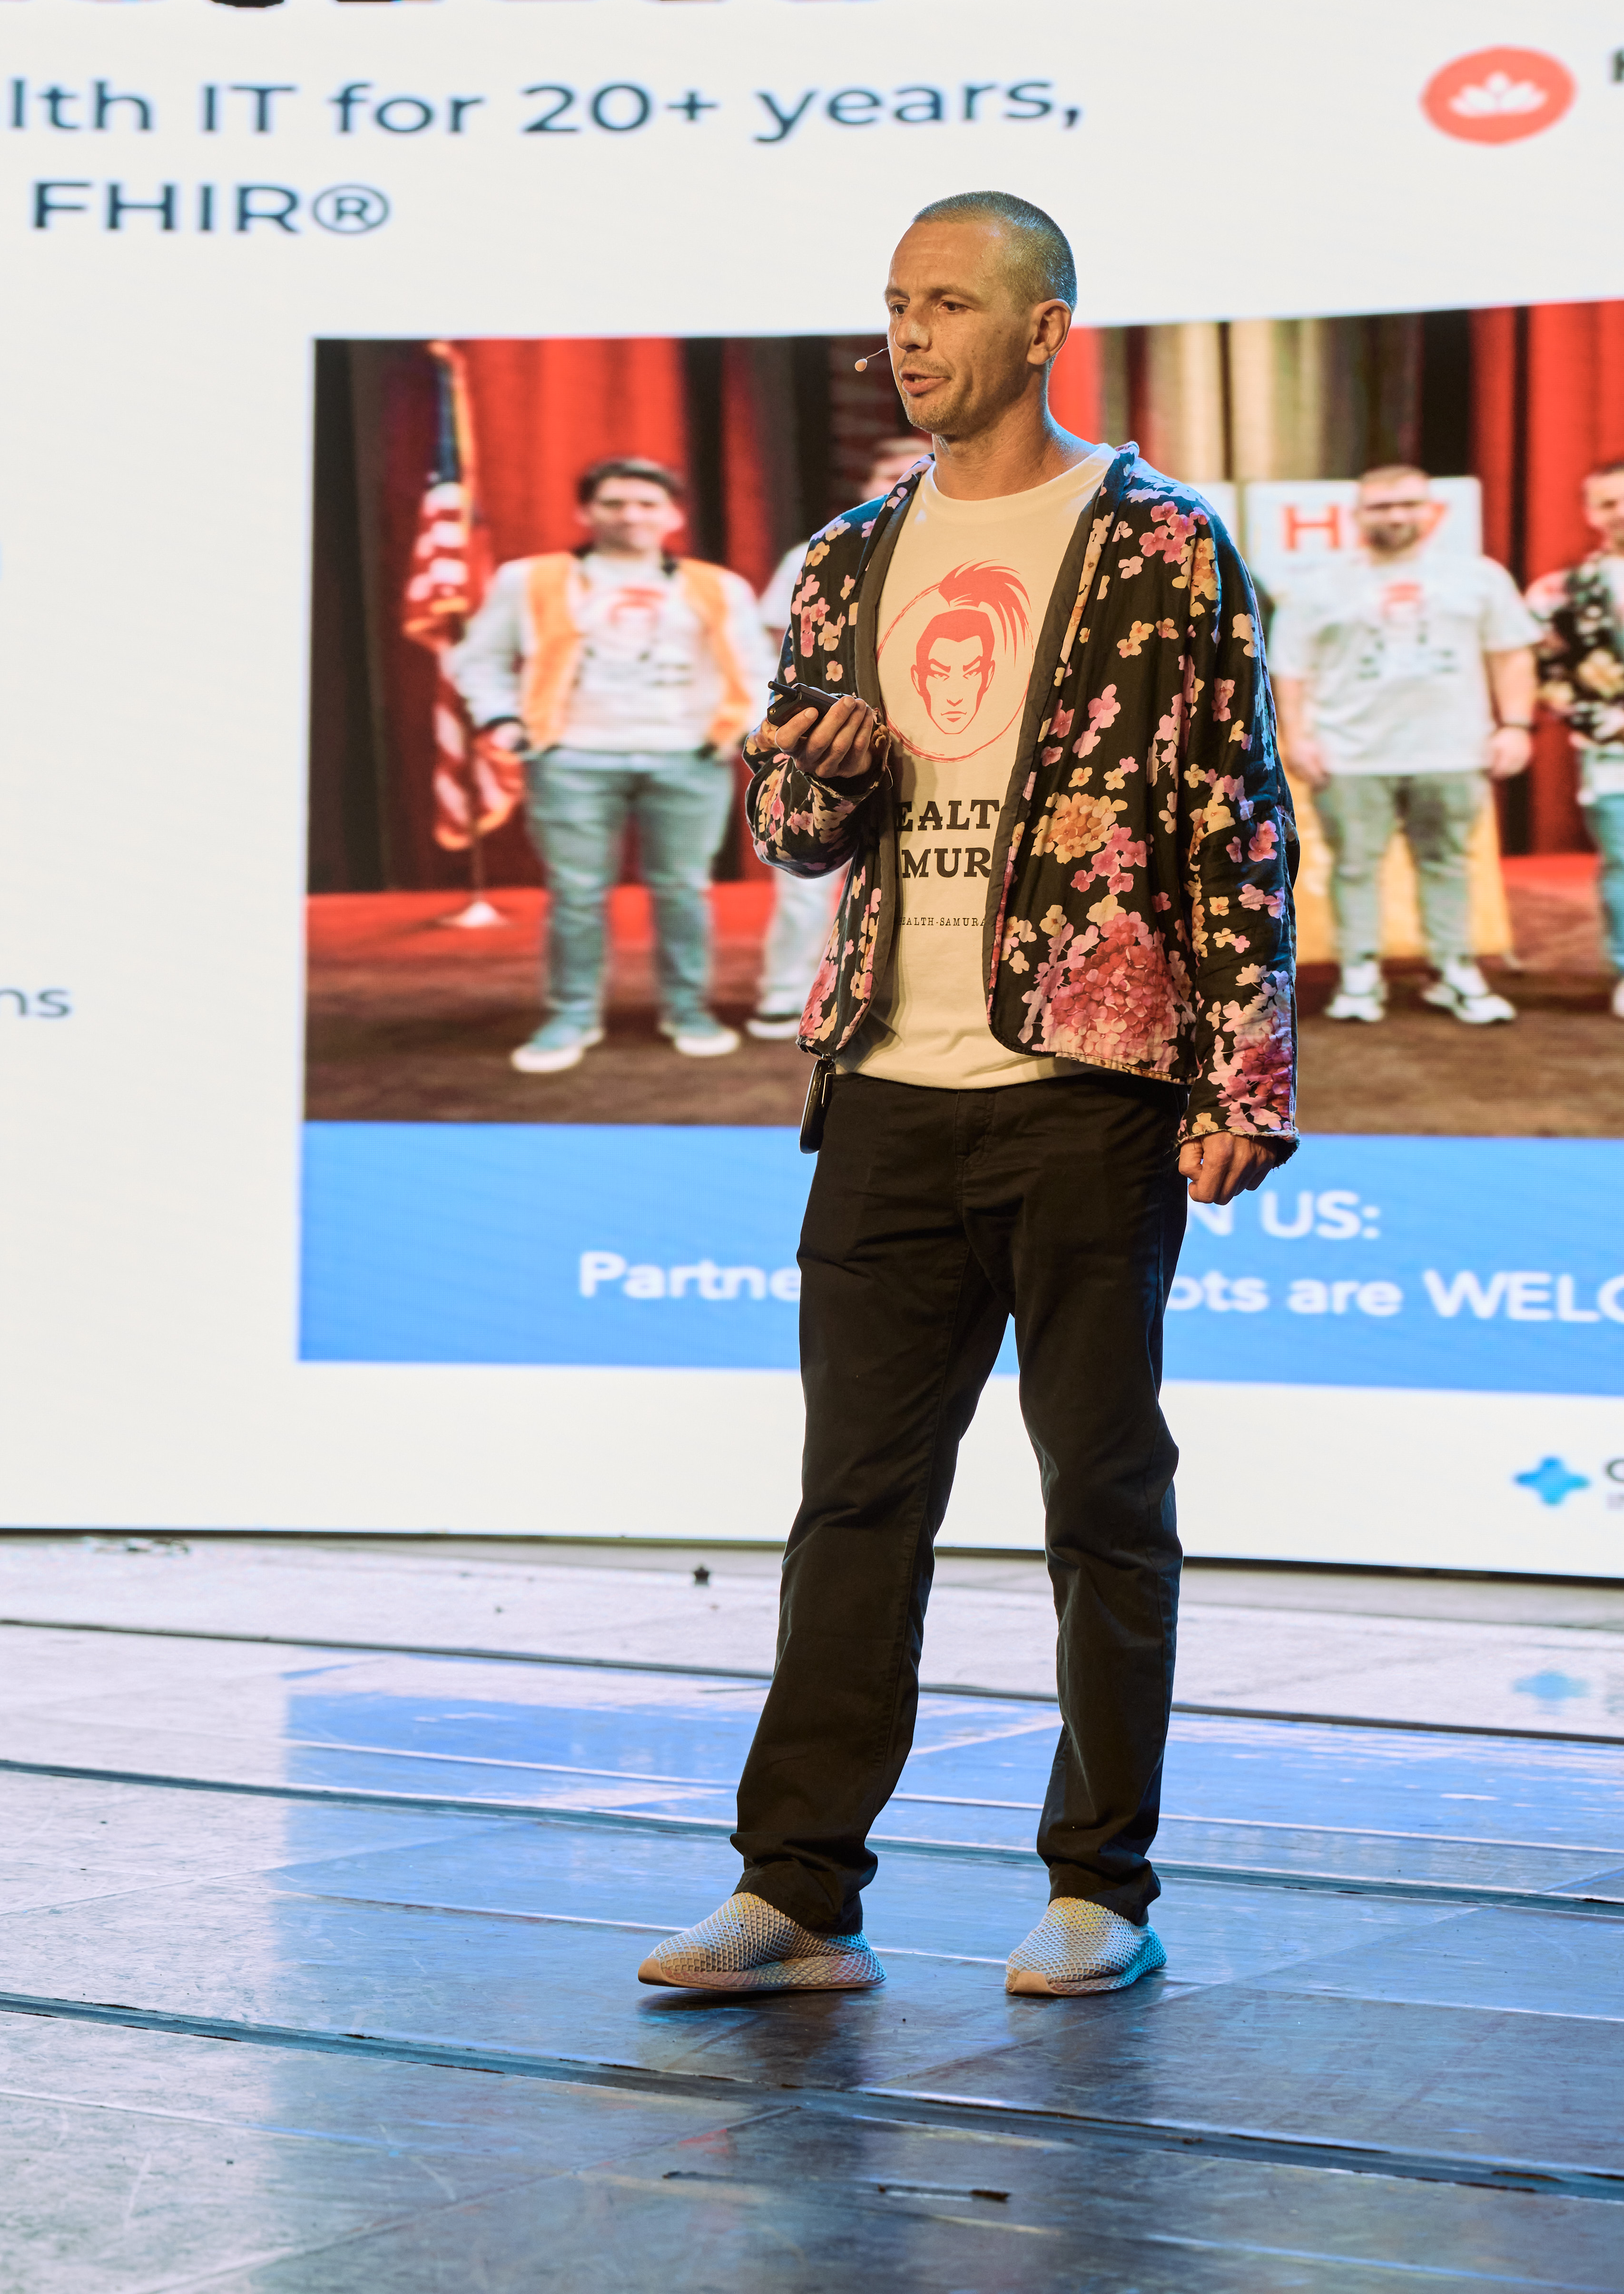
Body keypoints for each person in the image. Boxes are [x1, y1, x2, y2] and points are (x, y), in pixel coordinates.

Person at [636, 189, 1297, 2007]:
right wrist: (822, 776)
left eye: (944, 302)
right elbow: (789, 826)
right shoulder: (848, 553)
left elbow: (1233, 809)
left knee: (1100, 1492)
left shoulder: (1155, 539)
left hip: (1085, 1081)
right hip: (883, 1082)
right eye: (894, 304)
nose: (907, 336)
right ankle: (797, 1891)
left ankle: (1099, 1884)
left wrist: (1243, 1065)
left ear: (1041, 328)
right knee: (851, 1500)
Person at [450, 456, 772, 1073]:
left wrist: (737, 732)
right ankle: (572, 1015)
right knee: (576, 894)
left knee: (683, 891)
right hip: (572, 757)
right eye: (614, 503)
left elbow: (759, 668)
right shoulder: (531, 579)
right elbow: (478, 659)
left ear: (673, 515)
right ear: (586, 511)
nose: (631, 515)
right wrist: (503, 721)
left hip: (689, 756)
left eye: (648, 504)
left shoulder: (717, 585)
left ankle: (687, 1009)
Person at [1271, 464, 1538, 1028]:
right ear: (1358, 514)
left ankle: (1454, 969)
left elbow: (1511, 654)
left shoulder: (1478, 577)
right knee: (1354, 865)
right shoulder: (1318, 587)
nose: (1396, 516)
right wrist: (1297, 738)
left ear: (1431, 511)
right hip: (1349, 754)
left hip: (1453, 750)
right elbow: (1290, 672)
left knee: (1447, 862)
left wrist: (1516, 725)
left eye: (1408, 504)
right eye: (1382, 506)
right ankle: (1360, 974)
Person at [748, 436, 929, 1041]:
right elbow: (772, 641)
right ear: (866, 484)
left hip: (917, 742)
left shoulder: (952, 546)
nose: (902, 479)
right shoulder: (827, 547)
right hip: (822, 737)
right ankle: (786, 990)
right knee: (804, 871)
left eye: (917, 467)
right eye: (888, 470)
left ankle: (892, 995)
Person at [1527, 453, 1624, 1024]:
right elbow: (1545, 679)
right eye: (1609, 503)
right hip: (1619, 754)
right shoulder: (1561, 593)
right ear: (1590, 512)